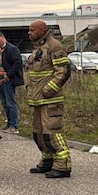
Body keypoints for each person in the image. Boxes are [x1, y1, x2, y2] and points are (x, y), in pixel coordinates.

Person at [25, 19, 73, 178]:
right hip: (38, 99)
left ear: (42, 30)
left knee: (52, 131)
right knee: (39, 133)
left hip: (51, 100)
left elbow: (63, 71)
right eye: (29, 30)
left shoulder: (55, 46)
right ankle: (47, 160)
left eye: (32, 30)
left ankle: (62, 164)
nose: (29, 33)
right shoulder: (38, 48)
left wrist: (48, 90)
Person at [0, 30, 23, 131]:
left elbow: (17, 63)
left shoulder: (12, 49)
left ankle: (14, 125)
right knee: (5, 103)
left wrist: (9, 75)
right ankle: (9, 124)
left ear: (2, 37)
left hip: (7, 81)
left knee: (10, 103)